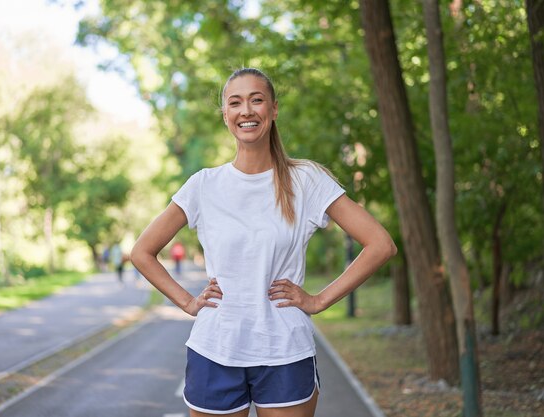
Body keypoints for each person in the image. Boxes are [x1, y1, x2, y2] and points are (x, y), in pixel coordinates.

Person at [131, 68, 397, 417]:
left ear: (273, 109)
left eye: (256, 100)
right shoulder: (204, 185)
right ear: (225, 115)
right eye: (236, 103)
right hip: (216, 347)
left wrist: (319, 300)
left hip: (284, 349)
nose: (247, 111)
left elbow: (381, 244)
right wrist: (187, 302)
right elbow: (141, 252)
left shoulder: (307, 181)